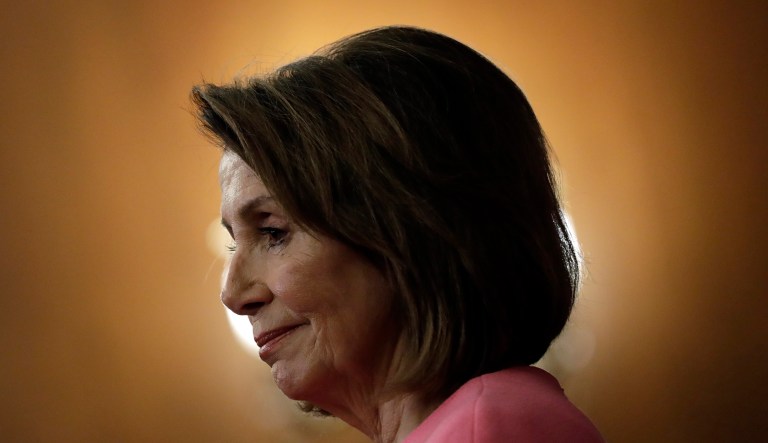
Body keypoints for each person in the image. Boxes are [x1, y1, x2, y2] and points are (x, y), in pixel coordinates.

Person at [192, 26, 604, 443]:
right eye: (232, 242)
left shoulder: (492, 427)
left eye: (273, 232)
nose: (233, 294)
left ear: (415, 227)